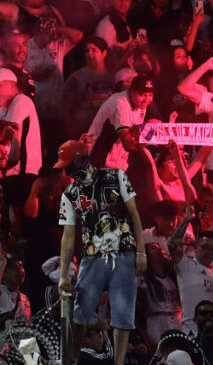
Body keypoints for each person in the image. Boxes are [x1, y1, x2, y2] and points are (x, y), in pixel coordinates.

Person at [56, 139, 147, 365]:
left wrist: (141, 250)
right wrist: (63, 274)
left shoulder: (116, 176)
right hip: (92, 255)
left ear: (81, 160)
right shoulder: (69, 194)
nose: (67, 171)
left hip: (124, 251)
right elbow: (68, 236)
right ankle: (73, 360)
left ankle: (118, 362)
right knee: (81, 310)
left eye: (69, 166)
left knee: (123, 313)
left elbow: (135, 214)